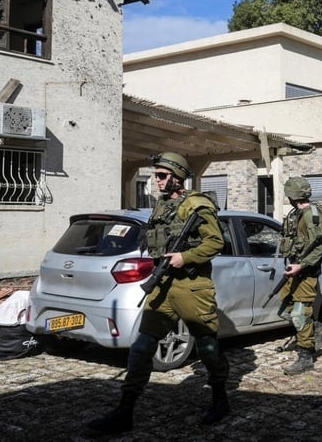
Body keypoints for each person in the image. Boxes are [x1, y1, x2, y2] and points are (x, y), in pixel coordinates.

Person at [87, 152, 230, 434]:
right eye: (156, 176)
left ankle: (220, 399)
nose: (157, 181)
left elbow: (216, 243)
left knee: (207, 346)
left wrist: (185, 257)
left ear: (178, 177)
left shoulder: (197, 205)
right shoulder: (161, 206)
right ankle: (124, 411)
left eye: (162, 176)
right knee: (141, 347)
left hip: (192, 286)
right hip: (162, 284)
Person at [279, 176, 322, 375]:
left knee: (300, 314)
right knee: (285, 309)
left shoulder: (312, 215)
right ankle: (318, 330)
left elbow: (318, 248)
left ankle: (306, 356)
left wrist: (301, 266)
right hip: (295, 270)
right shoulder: (297, 213)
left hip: (306, 272)